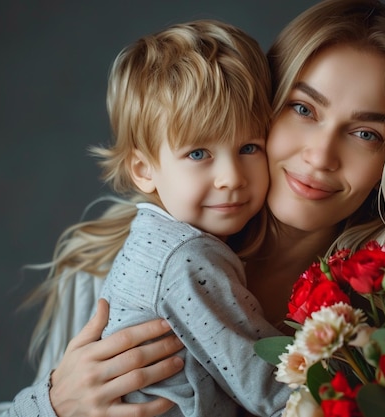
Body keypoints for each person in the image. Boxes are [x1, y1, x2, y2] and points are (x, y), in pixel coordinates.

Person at [0, 0, 385, 416]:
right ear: (263, 106)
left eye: (366, 134)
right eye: (303, 109)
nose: (320, 156)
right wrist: (52, 405)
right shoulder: (105, 267)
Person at [93, 19, 290, 416]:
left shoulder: (153, 239)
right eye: (199, 154)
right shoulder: (186, 257)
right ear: (144, 169)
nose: (232, 178)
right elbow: (266, 384)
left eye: (249, 147)